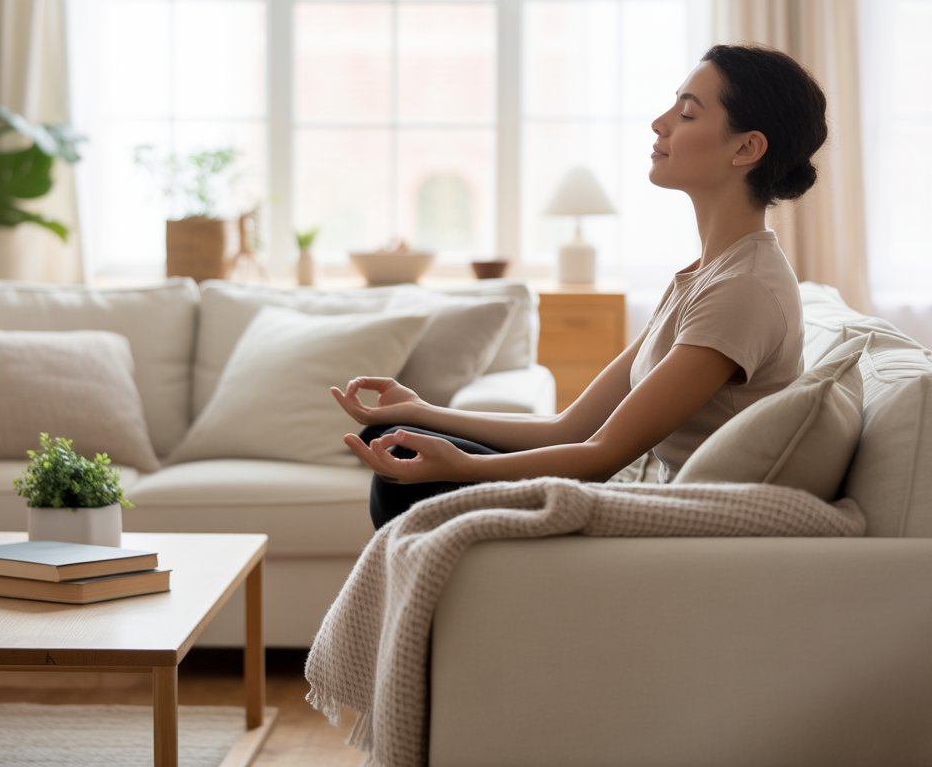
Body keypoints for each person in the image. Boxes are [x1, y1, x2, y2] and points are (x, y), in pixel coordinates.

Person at [332, 44, 829, 528]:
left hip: (670, 520)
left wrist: (459, 467)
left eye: (688, 114)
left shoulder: (743, 289)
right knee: (395, 431)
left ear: (746, 147)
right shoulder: (709, 273)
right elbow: (568, 427)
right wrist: (423, 410)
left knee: (402, 470)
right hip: (626, 483)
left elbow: (600, 456)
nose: (660, 123)